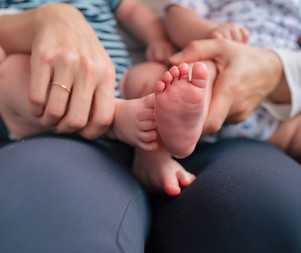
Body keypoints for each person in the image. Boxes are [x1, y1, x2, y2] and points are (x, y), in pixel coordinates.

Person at [1, 1, 301, 253]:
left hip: (121, 79)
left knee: (157, 80)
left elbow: (132, 9)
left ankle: (157, 147)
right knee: (13, 73)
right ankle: (121, 119)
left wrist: (155, 39)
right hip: (51, 100)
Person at [160, 0, 301, 161]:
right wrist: (211, 32)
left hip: (273, 116)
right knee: (199, 72)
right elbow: (177, 17)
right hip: (218, 72)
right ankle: (181, 128)